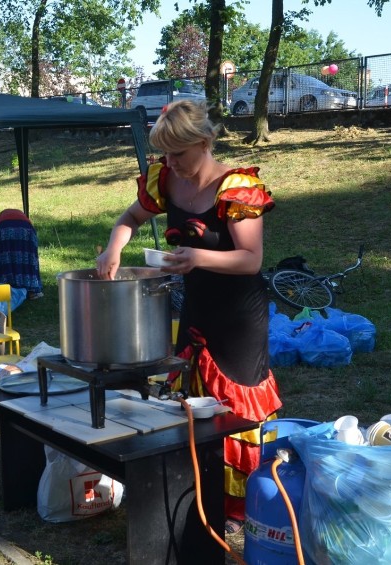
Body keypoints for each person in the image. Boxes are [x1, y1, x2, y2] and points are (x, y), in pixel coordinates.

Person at [96, 99, 282, 533]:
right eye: (165, 155)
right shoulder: (165, 179)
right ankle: (196, 488)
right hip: (197, 304)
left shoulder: (236, 187)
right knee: (191, 395)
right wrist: (114, 246)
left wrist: (198, 257)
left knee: (236, 405)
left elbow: (251, 260)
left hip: (239, 314)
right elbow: (131, 216)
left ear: (203, 142)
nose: (170, 163)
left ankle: (240, 507)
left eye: (177, 153)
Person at [0, 208, 43, 299]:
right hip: (26, 230)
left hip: (4, 229)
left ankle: (4, 284)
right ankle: (29, 289)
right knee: (26, 257)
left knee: (3, 256)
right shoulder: (22, 216)